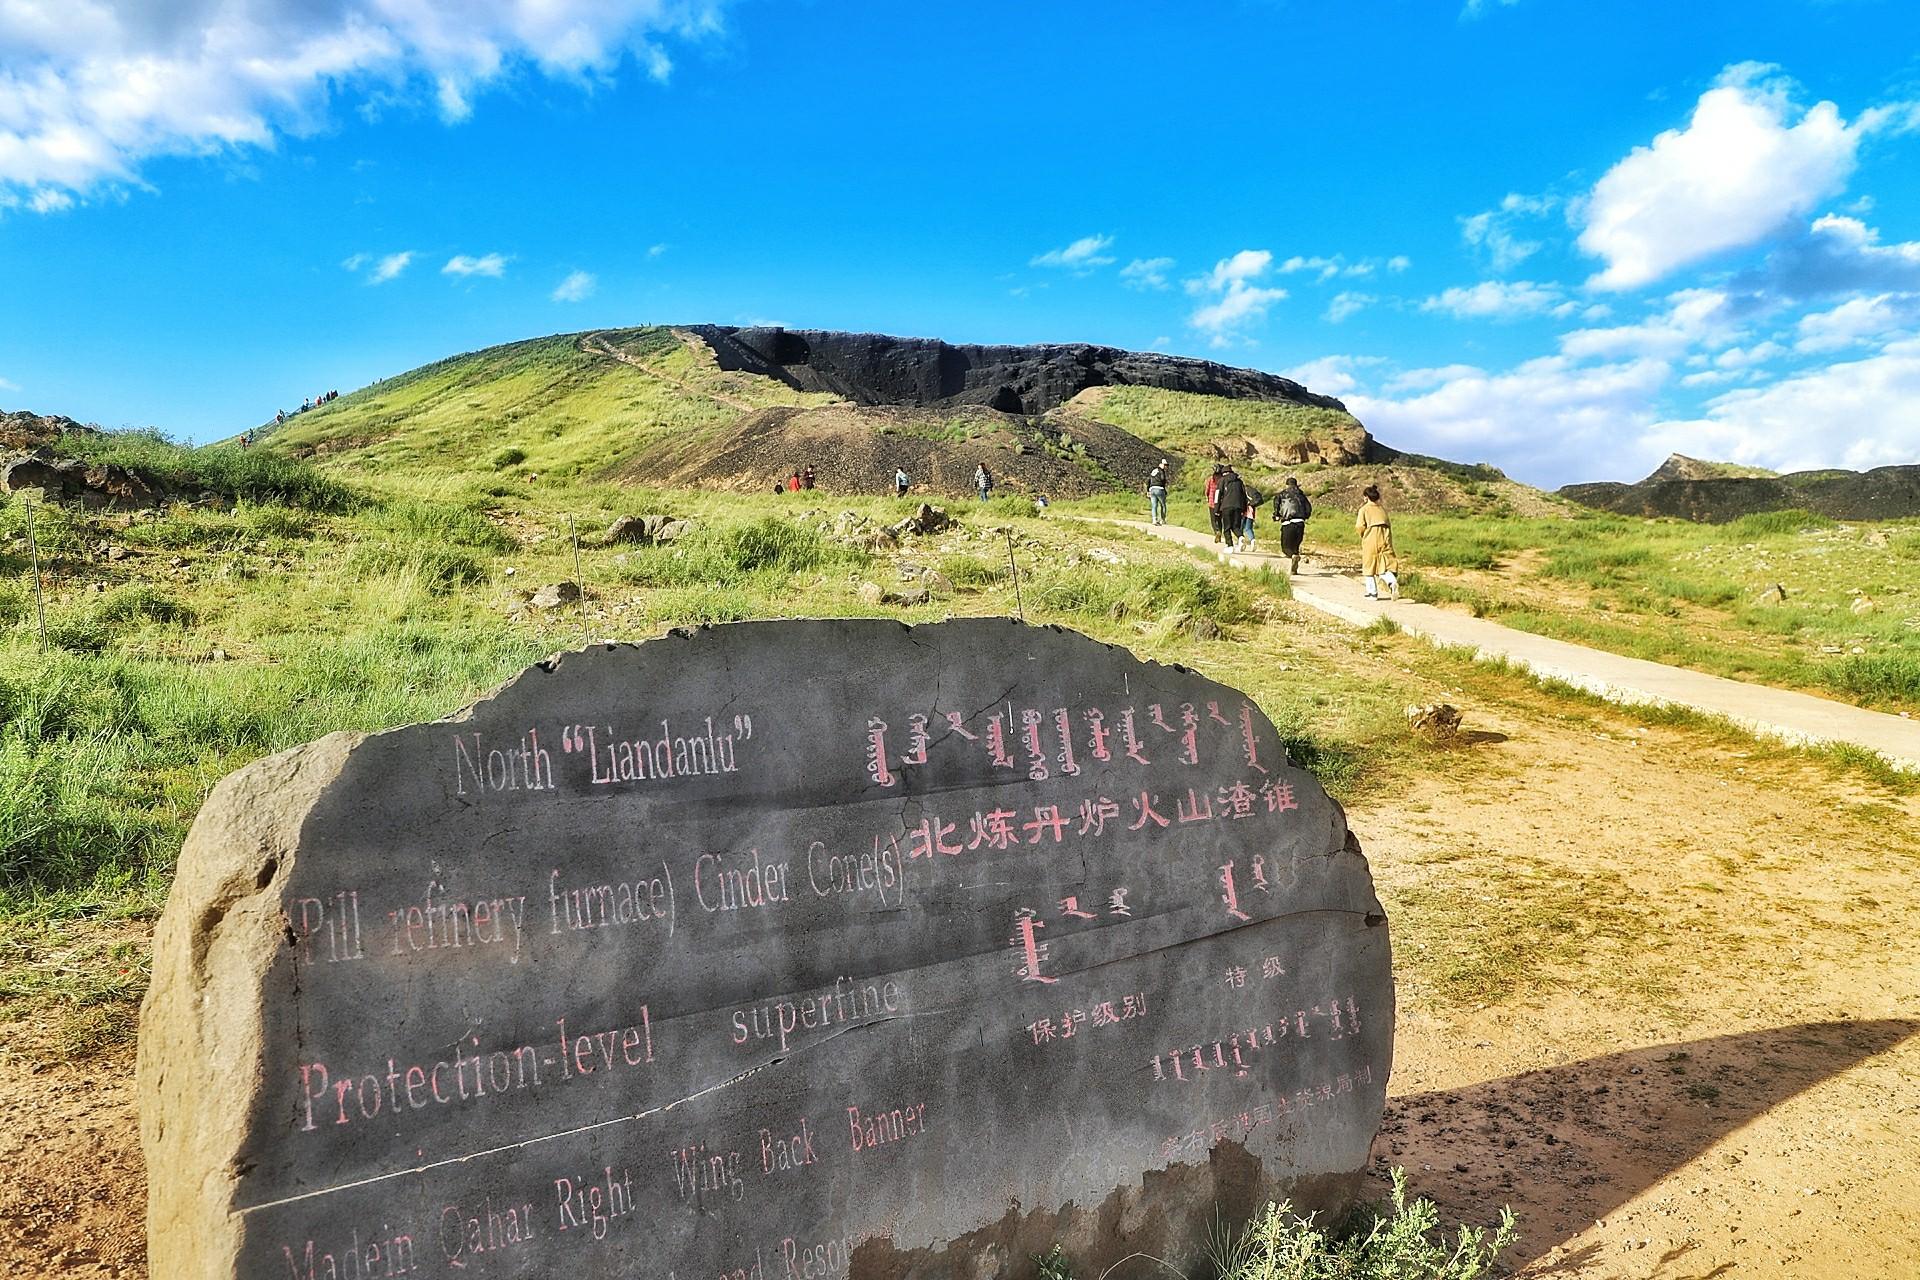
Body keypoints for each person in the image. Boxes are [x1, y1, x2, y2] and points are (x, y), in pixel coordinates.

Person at [1355, 483, 1399, 600]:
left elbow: (1360, 527)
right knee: (1383, 565)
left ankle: (1372, 593)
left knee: (1369, 566)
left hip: (1371, 538)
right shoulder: (1382, 510)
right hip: (1385, 538)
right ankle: (1391, 581)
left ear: (1366, 497)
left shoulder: (1364, 510)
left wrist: (1363, 535)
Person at [1273, 476, 1312, 574]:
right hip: (1300, 523)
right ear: (1296, 485)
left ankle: (1293, 557)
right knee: (1296, 545)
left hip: (1287, 523)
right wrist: (1305, 517)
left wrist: (1276, 516)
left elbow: (1277, 507)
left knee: (1285, 547)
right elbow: (1308, 508)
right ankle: (1294, 564)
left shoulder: (1281, 494)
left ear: (1287, 485)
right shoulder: (1301, 495)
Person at [1215, 466, 1248, 551]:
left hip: (1226, 506)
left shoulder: (1222, 480)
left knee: (1227, 527)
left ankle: (1229, 546)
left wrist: (1216, 509)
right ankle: (1240, 537)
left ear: (1224, 473)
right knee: (1236, 526)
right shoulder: (1239, 482)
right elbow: (1244, 496)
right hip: (1238, 506)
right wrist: (1244, 509)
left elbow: (1217, 495)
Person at [1204, 464, 1225, 543]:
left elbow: (1207, 490)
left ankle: (1216, 531)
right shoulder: (1223, 479)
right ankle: (1219, 531)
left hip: (1212, 502)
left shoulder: (1211, 479)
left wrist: (1207, 497)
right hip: (1221, 502)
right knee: (1219, 519)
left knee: (1213, 519)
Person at [1146, 459, 1169, 525]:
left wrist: (1148, 490)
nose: (1166, 467)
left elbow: (1148, 480)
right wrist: (1164, 487)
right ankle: (1162, 520)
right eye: (1165, 465)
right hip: (1159, 489)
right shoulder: (1161, 471)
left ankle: (1154, 520)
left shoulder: (1153, 471)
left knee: (1154, 505)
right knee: (1163, 505)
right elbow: (1163, 479)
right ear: (1161, 464)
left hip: (1152, 489)